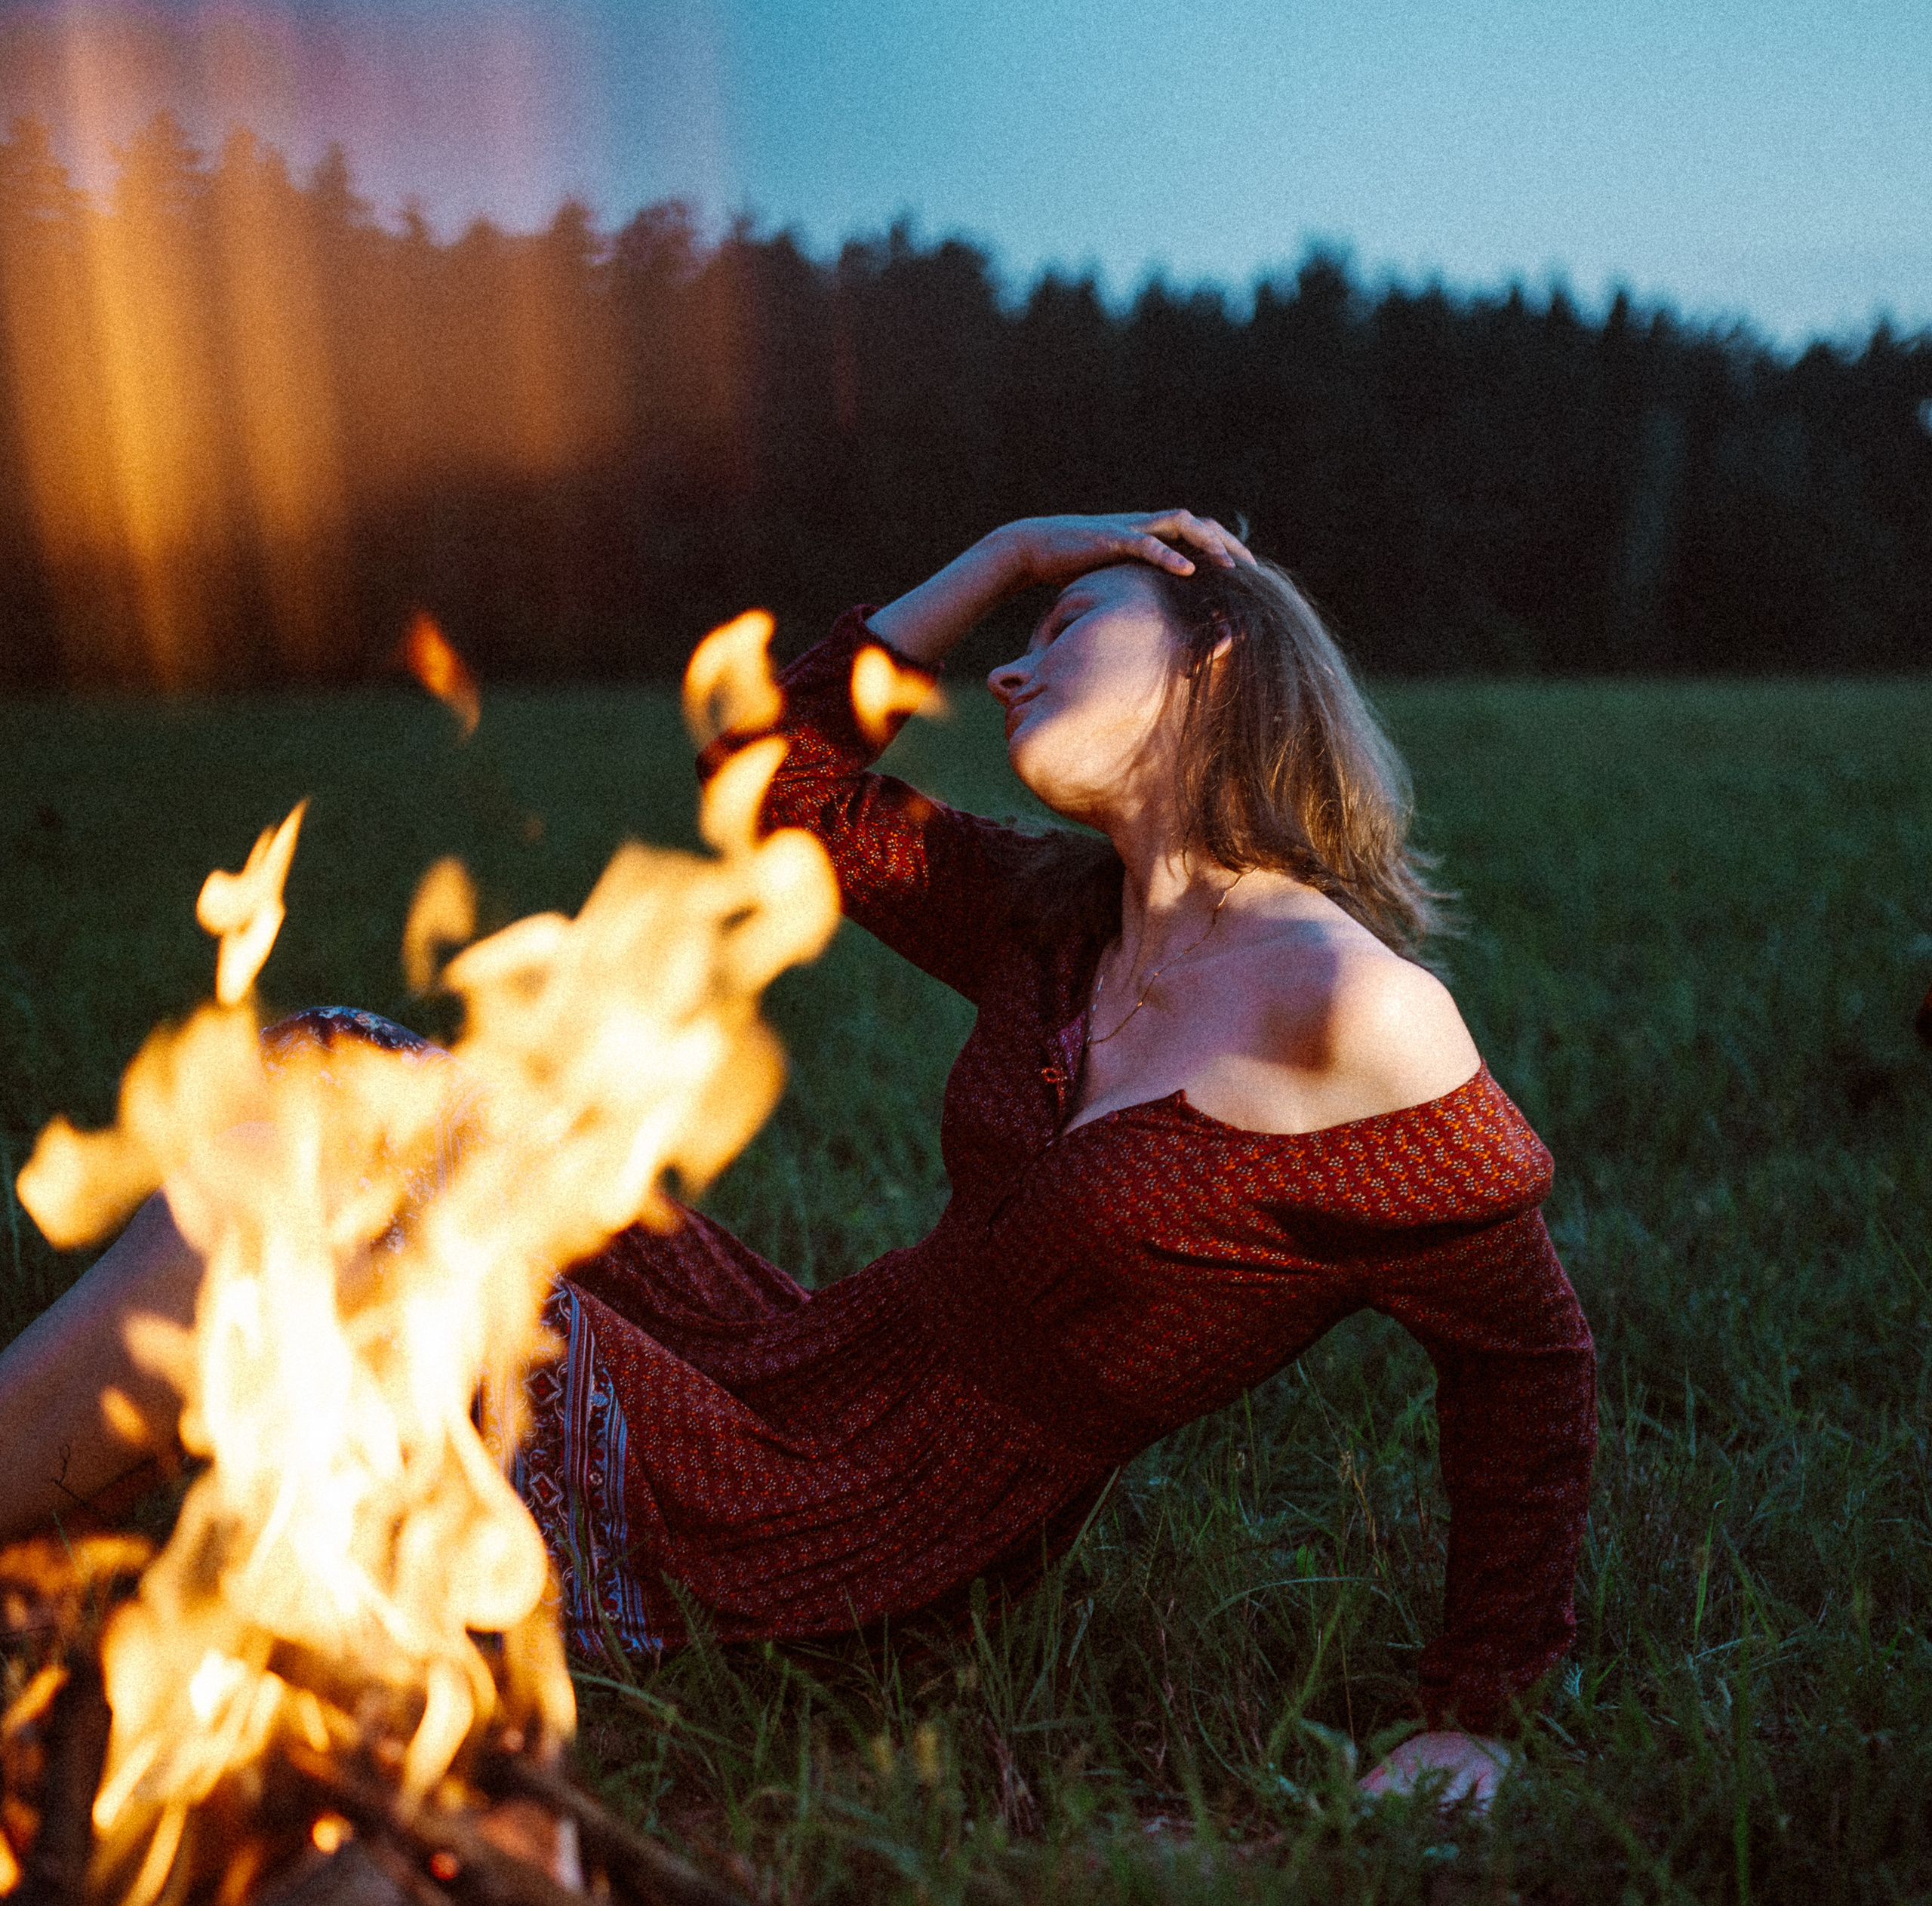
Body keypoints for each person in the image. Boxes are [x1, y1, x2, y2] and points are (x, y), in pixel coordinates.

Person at [0, 513, 1595, 1806]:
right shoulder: (1060, 919)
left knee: (352, 1256)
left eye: (1064, 628)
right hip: (785, 1367)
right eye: (1022, 635)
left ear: (1213, 661)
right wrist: (1010, 555)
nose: (1008, 669)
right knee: (348, 1086)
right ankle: (52, 1534)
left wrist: (1479, 1709)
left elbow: (1525, 1362)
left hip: (855, 1538)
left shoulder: (1353, 1012)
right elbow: (772, 783)